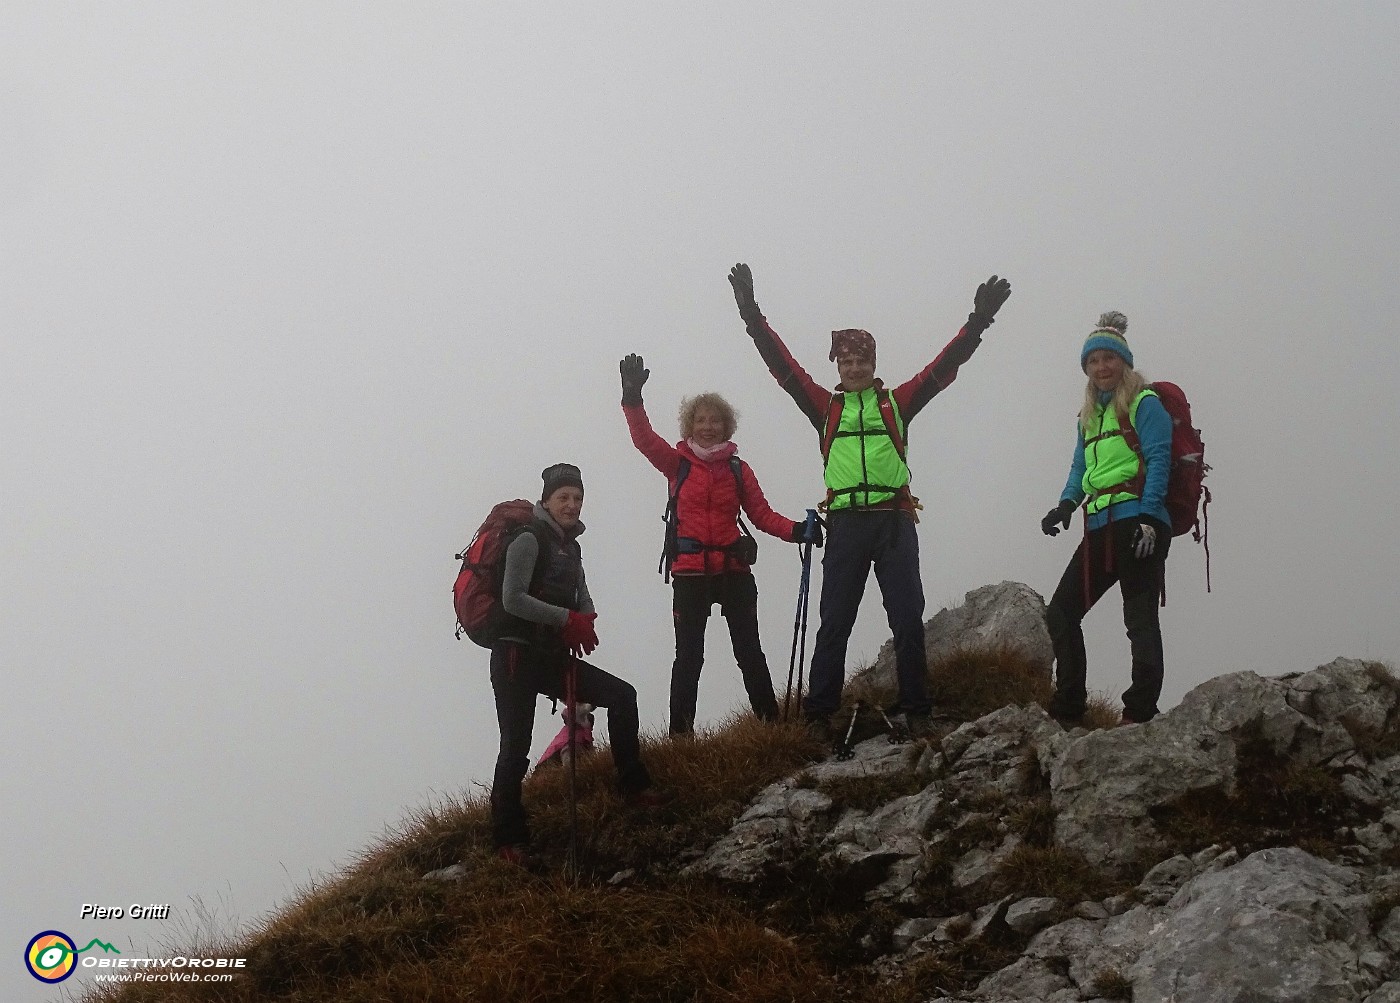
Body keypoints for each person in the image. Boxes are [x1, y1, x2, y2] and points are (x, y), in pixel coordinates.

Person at [727, 263, 1011, 741]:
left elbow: (943, 368)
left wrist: (977, 324)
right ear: (837, 367)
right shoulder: (826, 407)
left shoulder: (896, 404)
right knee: (834, 619)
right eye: (846, 362)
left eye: (861, 361)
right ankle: (819, 716)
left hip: (895, 519)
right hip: (845, 523)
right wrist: (751, 314)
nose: (854, 368)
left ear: (873, 365)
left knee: (906, 616)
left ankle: (917, 708)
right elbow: (783, 366)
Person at [619, 353, 821, 735]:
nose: (708, 427)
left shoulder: (737, 469)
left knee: (749, 653)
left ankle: (770, 727)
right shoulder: (677, 462)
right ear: (690, 425)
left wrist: (798, 531)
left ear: (727, 426)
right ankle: (681, 738)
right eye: (701, 420)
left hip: (733, 569)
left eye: (715, 420)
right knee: (689, 659)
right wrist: (632, 399)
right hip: (691, 573)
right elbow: (644, 440)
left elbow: (761, 515)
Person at [489, 462, 664, 865]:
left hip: (550, 654)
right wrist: (566, 620)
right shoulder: (529, 539)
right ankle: (508, 838)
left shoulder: (571, 546)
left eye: (578, 498)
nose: (572, 505)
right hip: (515, 653)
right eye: (564, 497)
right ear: (547, 500)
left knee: (622, 696)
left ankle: (632, 785)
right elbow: (511, 598)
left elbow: (581, 594)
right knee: (515, 747)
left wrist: (584, 617)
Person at [1040, 311, 1172, 727]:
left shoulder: (1144, 403)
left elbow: (1158, 458)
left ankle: (1138, 713)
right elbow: (1080, 470)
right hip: (1099, 525)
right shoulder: (1088, 417)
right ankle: (1069, 706)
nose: (1101, 367)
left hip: (1138, 522)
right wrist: (1065, 505)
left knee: (1139, 620)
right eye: (1093, 361)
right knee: (1060, 613)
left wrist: (1150, 517)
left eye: (1108, 359)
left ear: (1124, 362)